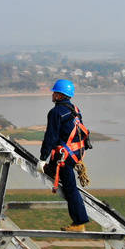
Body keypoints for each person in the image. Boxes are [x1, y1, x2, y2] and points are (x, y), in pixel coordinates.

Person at [36, 79, 90, 232]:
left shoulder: (55, 113)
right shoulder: (75, 109)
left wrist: (42, 158)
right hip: (75, 154)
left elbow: (50, 137)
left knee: (70, 189)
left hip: (64, 158)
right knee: (68, 185)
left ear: (60, 95)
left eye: (54, 92)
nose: (52, 95)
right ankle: (79, 220)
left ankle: (79, 222)